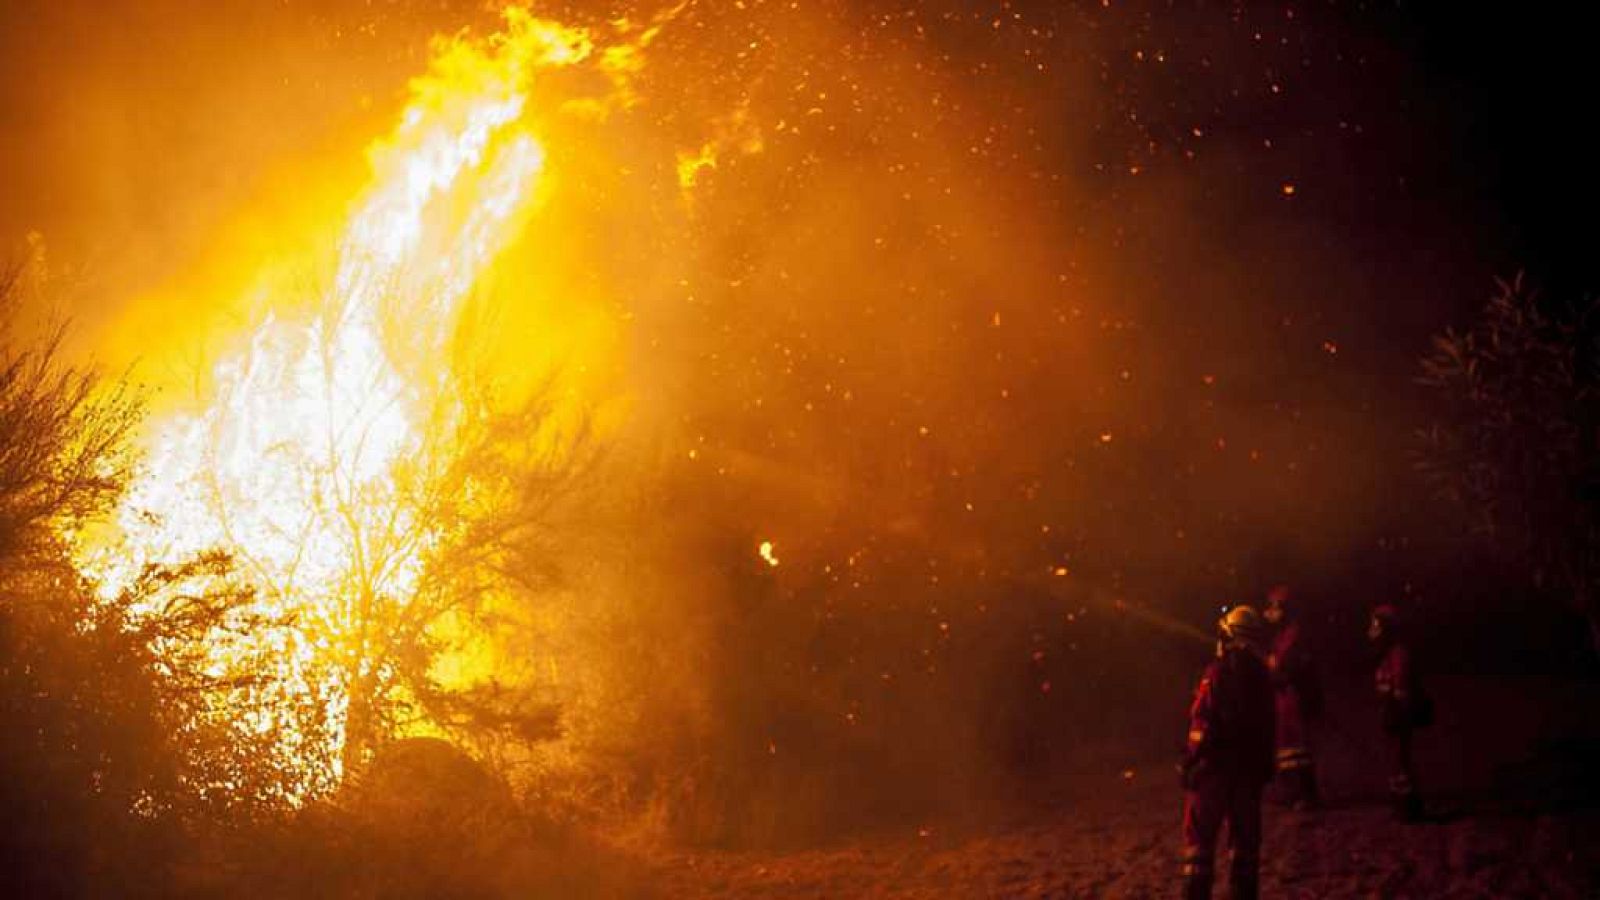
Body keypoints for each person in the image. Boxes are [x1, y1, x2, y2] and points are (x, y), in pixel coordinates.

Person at [1181, 605, 1277, 900]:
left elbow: (1203, 720)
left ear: (1229, 634)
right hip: (1248, 772)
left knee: (1199, 844)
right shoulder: (1263, 677)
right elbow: (1268, 725)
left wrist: (1190, 760)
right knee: (1245, 845)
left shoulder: (1217, 673)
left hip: (1214, 769)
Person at [1263, 584, 1322, 809]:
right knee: (1285, 749)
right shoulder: (1281, 636)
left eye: (1274, 607)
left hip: (1295, 700)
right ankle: (1291, 793)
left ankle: (1306, 795)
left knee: (1299, 749)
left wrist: (1273, 669)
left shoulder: (1294, 635)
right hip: (1284, 701)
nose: (1270, 612)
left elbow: (1290, 670)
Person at [1369, 604, 1429, 821]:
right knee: (1394, 759)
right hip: (1392, 710)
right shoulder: (1387, 651)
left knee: (1400, 759)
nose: (1371, 630)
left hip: (1399, 713)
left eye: (1376, 625)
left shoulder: (1398, 652)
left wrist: (1396, 706)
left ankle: (1409, 807)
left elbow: (1400, 685)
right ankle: (1401, 803)